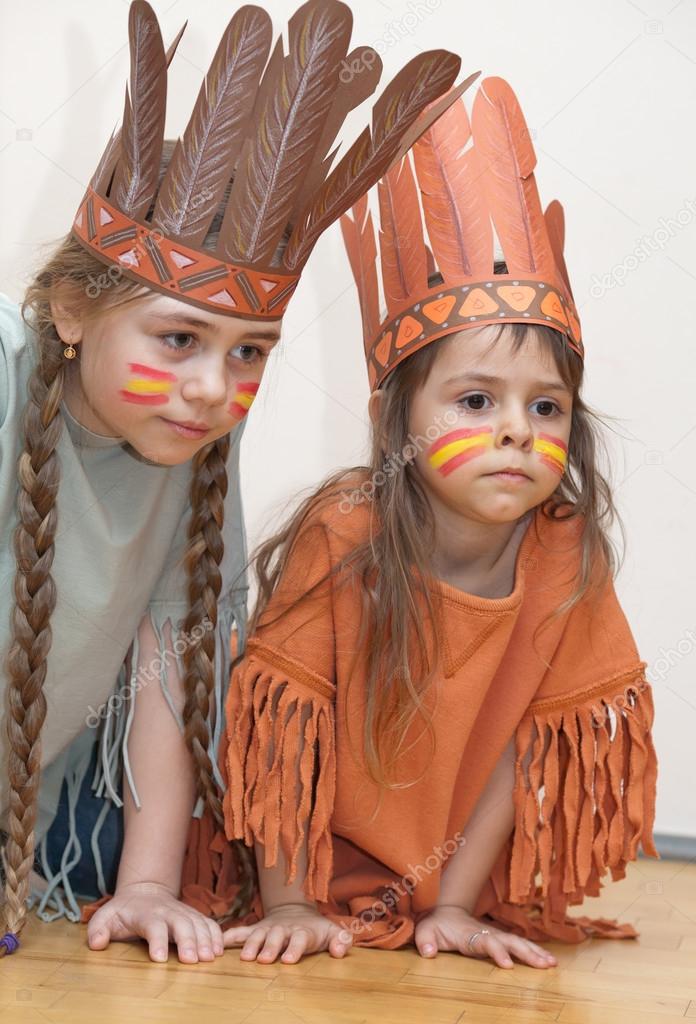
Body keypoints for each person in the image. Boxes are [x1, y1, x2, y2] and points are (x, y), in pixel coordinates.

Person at [0, 0, 463, 961]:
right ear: (75, 308)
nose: (217, 387)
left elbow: (167, 670)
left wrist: (151, 887)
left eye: (251, 352)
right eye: (178, 339)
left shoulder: (194, 441)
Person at [219, 77, 659, 968]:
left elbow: (514, 747)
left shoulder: (563, 549)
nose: (516, 431)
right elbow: (286, 731)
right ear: (398, 423)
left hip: (452, 867)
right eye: (473, 399)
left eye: (546, 407)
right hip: (304, 859)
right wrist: (291, 903)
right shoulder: (346, 534)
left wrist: (452, 907)